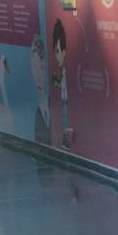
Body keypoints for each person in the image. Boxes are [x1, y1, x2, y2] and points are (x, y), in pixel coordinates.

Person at [50, 18, 73, 149]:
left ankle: (67, 142)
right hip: (64, 103)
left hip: (67, 104)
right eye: (55, 51)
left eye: (57, 51)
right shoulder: (63, 72)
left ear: (64, 52)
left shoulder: (68, 71)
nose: (56, 55)